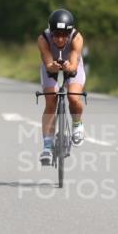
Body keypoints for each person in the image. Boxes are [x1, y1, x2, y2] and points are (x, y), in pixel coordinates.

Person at [37, 8, 86, 165]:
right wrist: (52, 66)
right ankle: (47, 147)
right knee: (51, 100)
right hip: (50, 65)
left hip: (72, 65)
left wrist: (68, 67)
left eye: (64, 34)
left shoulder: (77, 38)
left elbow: (73, 63)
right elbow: (47, 61)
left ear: (70, 32)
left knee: (73, 96)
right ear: (51, 32)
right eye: (56, 34)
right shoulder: (43, 38)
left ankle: (77, 124)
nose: (59, 39)